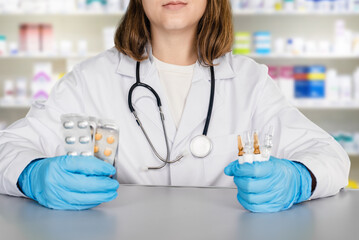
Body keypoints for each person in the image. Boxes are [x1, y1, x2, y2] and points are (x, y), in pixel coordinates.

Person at [0, 0, 350, 212]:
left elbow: (329, 155)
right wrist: (33, 175)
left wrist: (299, 180)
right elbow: (8, 146)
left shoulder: (249, 81)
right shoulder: (91, 77)